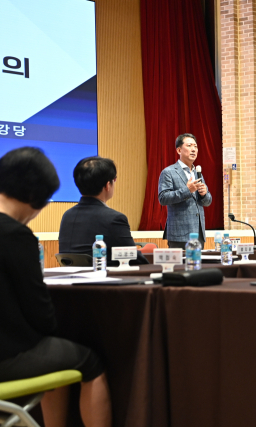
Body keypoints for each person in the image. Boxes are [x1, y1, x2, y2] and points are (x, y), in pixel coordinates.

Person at [0, 147, 112, 427]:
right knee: (89, 361)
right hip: (7, 357)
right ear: (35, 198)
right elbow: (42, 317)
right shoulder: (16, 235)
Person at [59, 157, 149, 266]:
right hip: (105, 280)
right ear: (107, 185)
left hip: (69, 279)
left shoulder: (67, 216)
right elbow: (135, 260)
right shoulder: (114, 218)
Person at [159, 133, 212, 248]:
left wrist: (204, 194)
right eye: (189, 145)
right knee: (180, 266)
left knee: (198, 265)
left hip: (198, 234)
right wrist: (187, 190)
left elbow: (207, 202)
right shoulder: (169, 172)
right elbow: (163, 198)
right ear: (179, 150)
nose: (193, 149)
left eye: (196, 146)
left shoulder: (197, 172)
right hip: (179, 234)